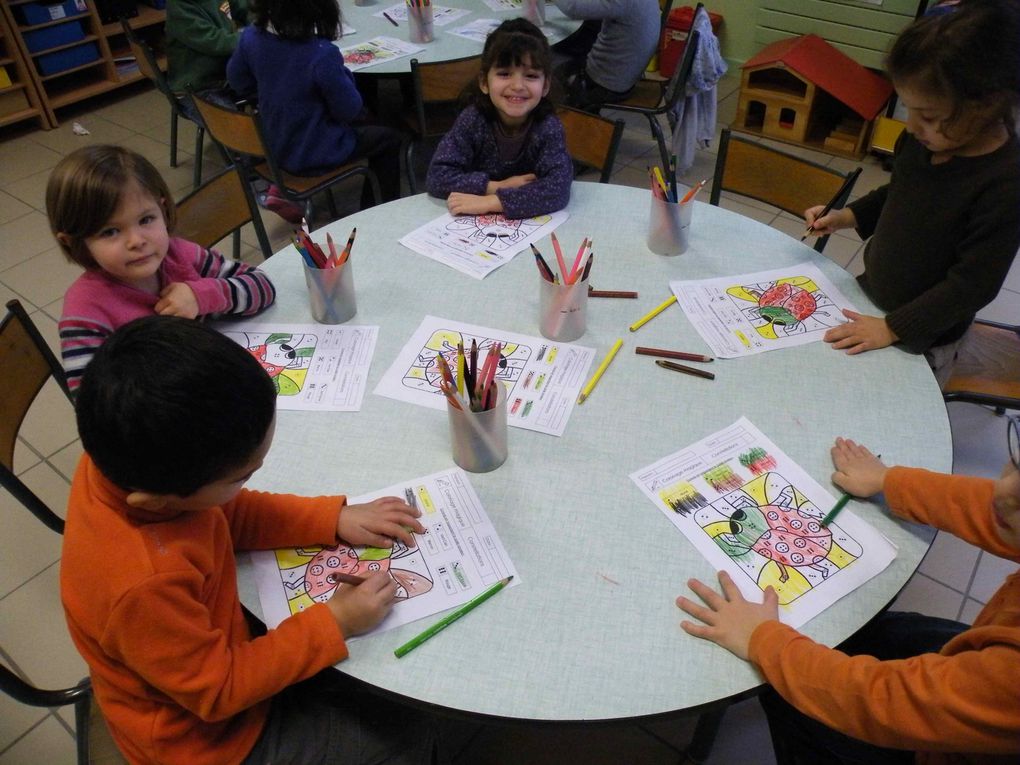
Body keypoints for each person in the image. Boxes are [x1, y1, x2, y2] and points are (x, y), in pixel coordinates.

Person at [61, 315, 437, 765]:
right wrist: (334, 622)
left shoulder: (124, 459)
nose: (248, 483)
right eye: (243, 476)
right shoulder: (142, 584)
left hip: (214, 649)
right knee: (410, 734)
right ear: (159, 502)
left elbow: (224, 511)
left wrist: (331, 517)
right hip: (211, 741)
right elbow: (220, 691)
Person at [675, 424, 1020, 765]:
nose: (1004, 491)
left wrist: (761, 639)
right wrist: (890, 481)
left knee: (786, 698)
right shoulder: (1011, 503)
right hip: (976, 667)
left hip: (943, 740)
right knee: (874, 632)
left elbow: (886, 702)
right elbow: (994, 508)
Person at [803, 0, 1020, 387]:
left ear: (986, 105)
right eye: (908, 108)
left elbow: (974, 284)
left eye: (929, 116)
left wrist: (893, 328)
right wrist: (847, 216)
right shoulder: (923, 142)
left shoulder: (1005, 184)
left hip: (925, 336)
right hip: (873, 296)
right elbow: (901, 191)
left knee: (892, 409)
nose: (910, 124)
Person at [48, 145, 276, 396]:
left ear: (163, 210)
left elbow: (262, 286)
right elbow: (92, 404)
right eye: (110, 231)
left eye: (146, 219)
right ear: (73, 242)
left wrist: (202, 296)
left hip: (217, 378)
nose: (137, 241)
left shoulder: (180, 255)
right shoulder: (85, 311)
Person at [226, 0, 403, 211]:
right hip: (312, 152)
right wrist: (344, 76)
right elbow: (349, 110)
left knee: (370, 121)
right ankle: (378, 209)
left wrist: (275, 90)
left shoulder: (251, 36)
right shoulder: (321, 54)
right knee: (388, 138)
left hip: (272, 145)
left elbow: (237, 80)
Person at [426, 18, 572, 218]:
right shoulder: (473, 119)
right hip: (470, 226)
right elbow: (437, 177)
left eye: (530, 76)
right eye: (504, 74)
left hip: (530, 226)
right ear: (484, 82)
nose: (518, 85)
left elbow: (558, 189)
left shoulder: (548, 127)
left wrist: (493, 201)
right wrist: (494, 186)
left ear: (545, 86)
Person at [552, 0, 660, 110]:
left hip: (606, 84)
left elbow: (573, 9)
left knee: (553, 67)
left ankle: (558, 119)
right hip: (626, 74)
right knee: (586, 34)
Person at [166, 0, 247, 107]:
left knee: (272, 88)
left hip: (226, 74)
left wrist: (261, 21)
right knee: (233, 123)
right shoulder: (179, 6)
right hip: (198, 87)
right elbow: (215, 42)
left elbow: (246, 9)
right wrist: (252, 37)